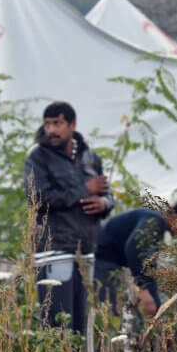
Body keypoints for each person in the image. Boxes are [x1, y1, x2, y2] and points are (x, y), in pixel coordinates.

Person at [24, 101, 113, 335]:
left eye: (58, 123)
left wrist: (103, 203)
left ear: (72, 124)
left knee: (80, 328)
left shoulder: (90, 157)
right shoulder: (37, 156)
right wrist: (84, 190)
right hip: (54, 250)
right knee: (58, 326)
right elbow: (37, 198)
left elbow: (106, 192)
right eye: (47, 124)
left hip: (86, 251)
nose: (51, 130)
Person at [94, 200, 177, 318]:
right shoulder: (155, 220)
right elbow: (133, 248)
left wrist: (157, 304)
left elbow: (148, 266)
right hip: (102, 260)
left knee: (118, 311)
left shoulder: (156, 223)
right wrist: (144, 291)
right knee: (109, 313)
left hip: (108, 262)